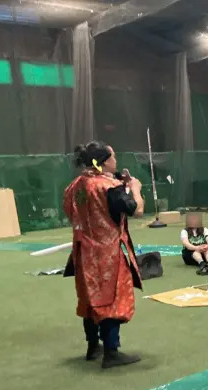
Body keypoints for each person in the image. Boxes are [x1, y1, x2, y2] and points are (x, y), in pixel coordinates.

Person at [63, 141, 144, 369]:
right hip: (108, 252)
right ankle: (111, 351)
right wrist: (135, 189)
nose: (116, 161)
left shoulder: (75, 186)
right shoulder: (108, 186)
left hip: (83, 252)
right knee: (112, 298)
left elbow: (70, 211)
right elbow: (136, 210)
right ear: (104, 162)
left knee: (89, 299)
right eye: (113, 157)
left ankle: (93, 346)